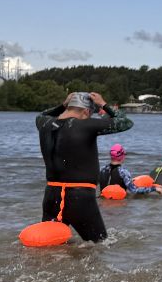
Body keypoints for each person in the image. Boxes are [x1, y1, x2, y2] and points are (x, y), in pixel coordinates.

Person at [37, 91, 134, 242]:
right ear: (86, 111)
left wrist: (63, 104)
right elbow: (125, 122)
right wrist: (103, 104)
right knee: (100, 245)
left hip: (51, 196)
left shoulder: (44, 124)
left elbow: (42, 114)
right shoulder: (86, 125)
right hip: (80, 197)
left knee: (53, 246)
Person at [98, 143, 162, 196]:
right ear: (122, 156)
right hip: (117, 205)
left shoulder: (102, 170)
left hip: (104, 201)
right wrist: (154, 189)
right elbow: (134, 190)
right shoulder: (123, 172)